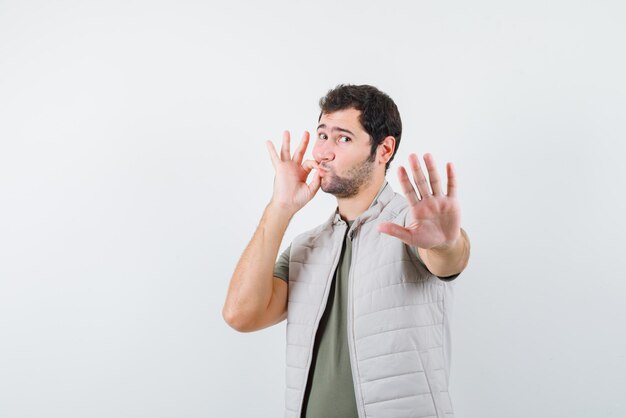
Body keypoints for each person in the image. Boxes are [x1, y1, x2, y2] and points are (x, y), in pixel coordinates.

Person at [222, 84, 470, 418]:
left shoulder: (410, 227)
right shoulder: (306, 247)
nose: (324, 152)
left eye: (343, 138)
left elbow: (449, 259)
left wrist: (445, 242)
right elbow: (240, 315)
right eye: (322, 135)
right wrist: (280, 207)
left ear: (383, 150)